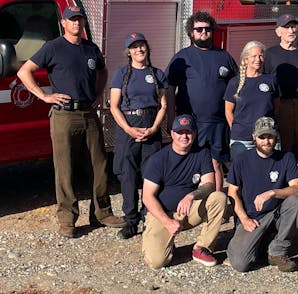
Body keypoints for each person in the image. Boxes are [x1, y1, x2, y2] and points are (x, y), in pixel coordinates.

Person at [16, 6, 125, 238]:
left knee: (99, 166)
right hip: (64, 115)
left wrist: (98, 94)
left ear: (84, 23)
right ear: (64, 24)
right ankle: (67, 219)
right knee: (65, 169)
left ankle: (103, 213)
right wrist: (44, 96)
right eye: (72, 20)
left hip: (88, 113)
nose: (76, 23)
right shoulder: (53, 48)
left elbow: (103, 72)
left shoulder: (90, 49)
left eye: (79, 20)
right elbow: (24, 72)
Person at [140, 114, 228, 269]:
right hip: (163, 214)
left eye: (188, 132)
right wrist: (167, 222)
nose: (184, 136)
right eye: (180, 132)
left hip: (188, 211)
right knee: (157, 262)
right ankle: (159, 239)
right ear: (172, 134)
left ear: (194, 133)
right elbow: (147, 197)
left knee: (218, 197)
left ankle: (202, 248)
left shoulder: (202, 154)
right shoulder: (158, 159)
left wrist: (191, 195)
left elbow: (209, 185)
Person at [167, 11, 238, 192]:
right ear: (191, 32)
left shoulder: (224, 56)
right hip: (190, 122)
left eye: (207, 29)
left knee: (215, 163)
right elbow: (168, 87)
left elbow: (238, 85)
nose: (204, 32)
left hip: (218, 123)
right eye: (199, 29)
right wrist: (171, 117)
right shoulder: (182, 57)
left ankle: (217, 203)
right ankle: (190, 203)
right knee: (191, 162)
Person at [109, 33, 168, 239]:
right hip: (129, 126)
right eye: (134, 47)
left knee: (150, 175)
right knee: (128, 175)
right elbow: (114, 107)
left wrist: (154, 128)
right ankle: (130, 220)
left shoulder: (158, 74)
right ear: (129, 52)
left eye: (142, 45)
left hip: (151, 126)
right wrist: (128, 129)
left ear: (147, 48)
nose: (139, 50)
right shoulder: (121, 74)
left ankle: (149, 216)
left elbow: (163, 106)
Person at [226, 117, 298, 273]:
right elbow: (232, 193)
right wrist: (244, 219)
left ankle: (278, 251)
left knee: (295, 201)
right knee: (240, 263)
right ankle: (263, 244)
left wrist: (273, 192)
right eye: (262, 137)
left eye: (270, 136)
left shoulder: (286, 158)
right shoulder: (241, 160)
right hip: (253, 218)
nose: (267, 141)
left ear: (276, 137)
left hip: (276, 214)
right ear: (254, 138)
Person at [264, 13, 298, 174]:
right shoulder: (270, 54)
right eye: (286, 27)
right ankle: (287, 180)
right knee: (284, 145)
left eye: (293, 26)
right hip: (282, 105)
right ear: (278, 31)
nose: (291, 30)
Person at [224, 41, 279, 160]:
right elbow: (228, 111)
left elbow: (277, 108)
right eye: (254, 56)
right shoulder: (235, 82)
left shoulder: (271, 80)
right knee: (242, 175)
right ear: (246, 58)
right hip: (242, 139)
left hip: (267, 138)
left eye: (260, 56)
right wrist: (237, 130)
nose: (258, 59)